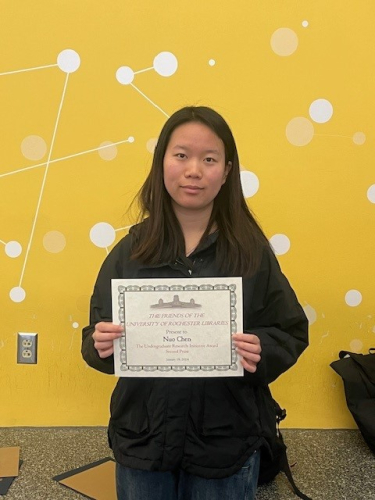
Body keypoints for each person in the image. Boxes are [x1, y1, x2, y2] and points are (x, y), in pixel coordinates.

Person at [81, 106, 309, 500]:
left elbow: (289, 330)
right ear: (162, 163)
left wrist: (262, 350)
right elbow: (94, 338)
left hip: (225, 443)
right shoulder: (128, 253)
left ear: (227, 171)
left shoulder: (251, 253)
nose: (194, 170)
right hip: (143, 442)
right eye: (181, 155)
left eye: (209, 159)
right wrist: (100, 346)